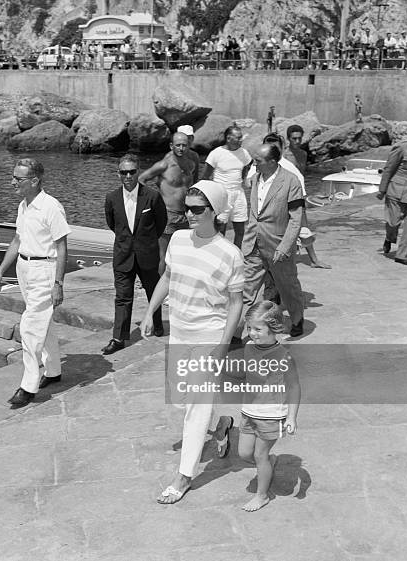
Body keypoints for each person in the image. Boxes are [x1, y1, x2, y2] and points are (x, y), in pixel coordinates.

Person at [140, 180, 244, 504]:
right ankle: (224, 422)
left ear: (214, 212)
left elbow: (237, 302)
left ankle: (183, 476)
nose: (189, 214)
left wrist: (225, 343)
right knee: (184, 399)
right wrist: (149, 311)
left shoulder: (230, 254)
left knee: (196, 406)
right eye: (187, 207)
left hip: (209, 333)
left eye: (197, 209)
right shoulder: (178, 240)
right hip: (180, 330)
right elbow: (168, 279)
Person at [0, 158, 70, 407]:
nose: (12, 182)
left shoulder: (51, 207)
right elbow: (17, 240)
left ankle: (28, 385)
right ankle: (54, 370)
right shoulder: (23, 206)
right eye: (13, 176)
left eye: (18, 178)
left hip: (43, 270)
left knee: (30, 327)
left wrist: (58, 283)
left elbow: (62, 246)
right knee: (44, 324)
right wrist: (1, 270)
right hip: (24, 268)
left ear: (34, 181)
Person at [238, 301, 301, 512]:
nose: (252, 333)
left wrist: (291, 417)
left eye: (257, 329)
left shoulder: (284, 356)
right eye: (249, 328)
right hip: (249, 411)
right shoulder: (248, 347)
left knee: (259, 456)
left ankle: (262, 495)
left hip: (272, 415)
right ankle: (269, 462)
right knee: (244, 454)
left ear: (273, 328)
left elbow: (293, 387)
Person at [238, 143, 305, 339]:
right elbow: (254, 211)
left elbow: (296, 218)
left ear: (272, 162)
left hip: (278, 246)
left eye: (258, 161)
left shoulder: (291, 182)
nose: (254, 164)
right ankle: (235, 333)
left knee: (288, 287)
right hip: (253, 245)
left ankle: (297, 319)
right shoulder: (255, 179)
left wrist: (285, 246)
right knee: (246, 292)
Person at [102, 154, 167, 355]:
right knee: (122, 297)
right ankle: (118, 338)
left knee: (152, 291)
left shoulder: (152, 196)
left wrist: (146, 242)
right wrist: (127, 241)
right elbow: (113, 224)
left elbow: (161, 222)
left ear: (138, 172)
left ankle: (157, 324)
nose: (128, 176)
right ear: (118, 174)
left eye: (132, 172)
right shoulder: (111, 198)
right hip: (123, 255)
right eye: (124, 172)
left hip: (147, 254)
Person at [252, 132, 331, 269]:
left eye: (275, 147)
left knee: (302, 229)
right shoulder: (259, 167)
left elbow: (299, 187)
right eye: (269, 147)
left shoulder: (288, 167)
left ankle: (313, 259)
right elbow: (249, 183)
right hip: (267, 211)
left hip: (291, 204)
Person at [138, 131, 196, 275]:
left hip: (187, 214)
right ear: (171, 146)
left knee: (184, 253)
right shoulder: (164, 165)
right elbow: (141, 179)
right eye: (178, 145)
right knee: (163, 255)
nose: (181, 148)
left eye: (184, 145)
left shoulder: (191, 164)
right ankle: (157, 287)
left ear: (189, 146)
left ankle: (178, 282)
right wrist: (149, 202)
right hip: (168, 214)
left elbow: (192, 187)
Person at [202, 125, 251, 248]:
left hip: (238, 193)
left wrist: (244, 179)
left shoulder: (244, 153)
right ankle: (219, 254)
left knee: (240, 230)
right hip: (222, 195)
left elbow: (247, 166)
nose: (241, 140)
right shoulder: (216, 153)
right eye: (238, 138)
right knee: (220, 230)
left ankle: (236, 254)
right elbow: (204, 176)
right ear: (229, 138)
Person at [377, 125, 407, 265]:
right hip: (397, 190)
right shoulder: (402, 147)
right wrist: (382, 190)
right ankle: (389, 237)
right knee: (393, 222)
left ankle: (401, 255)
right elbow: (389, 169)